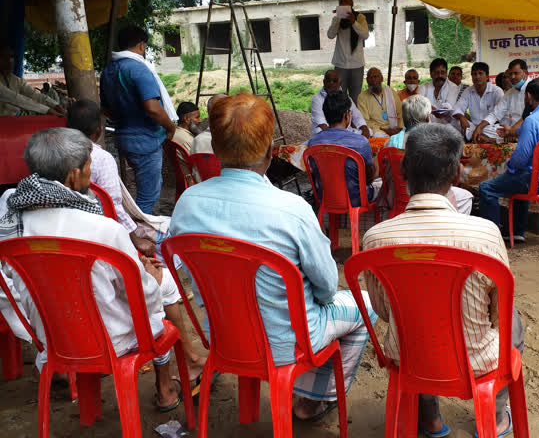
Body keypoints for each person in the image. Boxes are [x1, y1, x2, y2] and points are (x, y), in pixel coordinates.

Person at [169, 93, 376, 420]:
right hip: (287, 344)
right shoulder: (291, 210)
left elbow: (186, 270)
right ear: (269, 151)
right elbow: (324, 287)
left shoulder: (186, 204)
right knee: (365, 305)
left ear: (216, 149)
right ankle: (313, 401)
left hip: (222, 335)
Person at [0, 128, 184, 410]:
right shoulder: (103, 229)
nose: (90, 173)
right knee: (164, 284)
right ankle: (166, 386)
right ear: (74, 174)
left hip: (51, 335)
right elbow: (141, 295)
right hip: (110, 339)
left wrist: (26, 322)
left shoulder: (9, 209)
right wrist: (150, 276)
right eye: (88, 166)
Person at [362, 123, 524, 438]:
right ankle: (496, 414)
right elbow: (497, 315)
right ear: (455, 175)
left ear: (404, 171)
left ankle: (429, 420)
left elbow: (383, 310)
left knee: (412, 316)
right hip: (477, 361)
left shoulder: (375, 238)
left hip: (408, 356)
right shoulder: (485, 234)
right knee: (511, 318)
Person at [65, 101, 209, 382]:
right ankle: (171, 377)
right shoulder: (100, 167)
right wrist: (136, 245)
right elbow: (114, 210)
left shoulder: (27, 221)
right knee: (162, 277)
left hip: (63, 323)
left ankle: (185, 361)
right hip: (109, 300)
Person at [478, 79, 539, 243]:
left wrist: (510, 168)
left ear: (528, 96)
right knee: (522, 175)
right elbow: (529, 132)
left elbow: (521, 157)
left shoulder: (532, 120)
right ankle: (516, 231)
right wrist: (512, 131)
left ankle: (491, 238)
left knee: (487, 188)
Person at [100, 25, 177, 214]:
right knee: (148, 195)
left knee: (143, 188)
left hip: (123, 136)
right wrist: (170, 127)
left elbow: (106, 109)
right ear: (141, 45)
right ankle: (141, 235)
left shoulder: (108, 71)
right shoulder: (139, 69)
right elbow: (153, 108)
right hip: (145, 139)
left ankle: (139, 225)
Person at [386, 95, 474, 215]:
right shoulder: (438, 142)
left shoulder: (390, 142)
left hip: (397, 197)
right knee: (466, 196)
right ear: (428, 118)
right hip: (435, 197)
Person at [307, 91, 380, 207]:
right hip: (356, 199)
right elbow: (371, 175)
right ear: (347, 115)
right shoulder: (360, 142)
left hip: (326, 198)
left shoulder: (313, 142)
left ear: (325, 115)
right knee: (382, 183)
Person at [327, 0, 369, 105]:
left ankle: (354, 121)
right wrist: (337, 20)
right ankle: (342, 121)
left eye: (346, 1)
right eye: (342, 2)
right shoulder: (336, 19)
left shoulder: (360, 17)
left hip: (357, 64)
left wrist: (353, 22)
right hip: (340, 63)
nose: (344, 3)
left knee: (356, 97)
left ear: (352, 3)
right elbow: (330, 35)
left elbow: (365, 35)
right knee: (340, 95)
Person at [474, 59, 529, 143]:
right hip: (510, 129)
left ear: (525, 73)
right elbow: (496, 113)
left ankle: (508, 138)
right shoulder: (510, 92)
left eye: (516, 73)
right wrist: (479, 127)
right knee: (485, 129)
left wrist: (512, 131)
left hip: (527, 128)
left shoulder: (533, 87)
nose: (512, 77)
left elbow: (530, 116)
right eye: (510, 74)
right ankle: (508, 138)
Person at [0, 45, 63, 117]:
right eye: (3, 57)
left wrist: (56, 106)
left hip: (16, 120)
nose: (9, 61)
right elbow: (14, 98)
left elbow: (35, 94)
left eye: (11, 57)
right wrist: (47, 110)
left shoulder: (17, 80)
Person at [451, 62, 504, 142]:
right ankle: (481, 137)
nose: (477, 77)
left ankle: (477, 137)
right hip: (473, 127)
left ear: (487, 77)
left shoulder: (496, 91)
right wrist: (461, 117)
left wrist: (480, 127)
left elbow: (497, 114)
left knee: (499, 129)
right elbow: (457, 108)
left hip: (490, 127)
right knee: (454, 123)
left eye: (480, 73)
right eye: (474, 74)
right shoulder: (468, 91)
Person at [311, 69, 370, 137]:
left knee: (369, 131)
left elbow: (357, 116)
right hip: (326, 135)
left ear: (340, 83)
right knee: (319, 130)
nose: (331, 83)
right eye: (328, 81)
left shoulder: (345, 97)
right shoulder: (317, 99)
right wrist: (341, 139)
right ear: (324, 82)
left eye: (334, 81)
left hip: (346, 134)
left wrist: (364, 128)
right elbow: (322, 124)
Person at [357, 67, 403, 137]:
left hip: (395, 128)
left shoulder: (391, 93)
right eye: (370, 77)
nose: (373, 79)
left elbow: (400, 113)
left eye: (375, 76)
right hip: (377, 130)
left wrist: (399, 128)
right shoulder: (362, 97)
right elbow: (366, 121)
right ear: (367, 80)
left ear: (382, 78)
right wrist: (384, 130)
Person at [418, 58, 460, 128]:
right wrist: (431, 109)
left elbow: (448, 107)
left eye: (442, 72)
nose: (440, 76)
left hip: (447, 125)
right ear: (431, 74)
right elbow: (419, 104)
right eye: (437, 73)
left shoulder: (453, 87)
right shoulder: (423, 87)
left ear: (446, 74)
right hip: (427, 125)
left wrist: (430, 109)